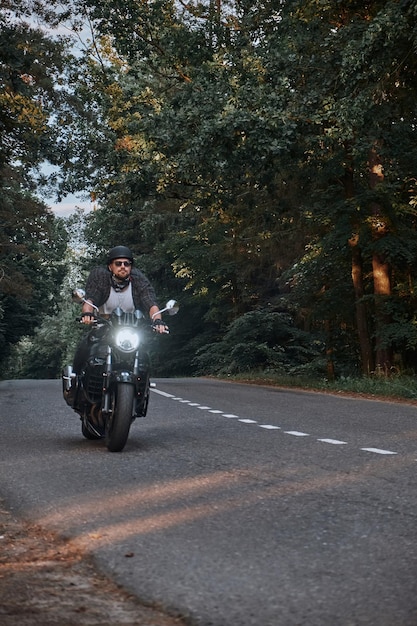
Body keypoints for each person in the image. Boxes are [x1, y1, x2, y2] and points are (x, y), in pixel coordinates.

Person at [72, 245, 168, 373]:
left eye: (127, 263)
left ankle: (143, 385)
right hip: (103, 328)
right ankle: (75, 379)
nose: (123, 266)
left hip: (132, 329)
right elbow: (90, 299)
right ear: (110, 266)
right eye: (118, 263)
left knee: (144, 357)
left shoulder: (138, 279)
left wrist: (158, 320)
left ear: (131, 267)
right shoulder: (100, 277)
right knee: (85, 349)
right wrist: (87, 314)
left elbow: (150, 302)